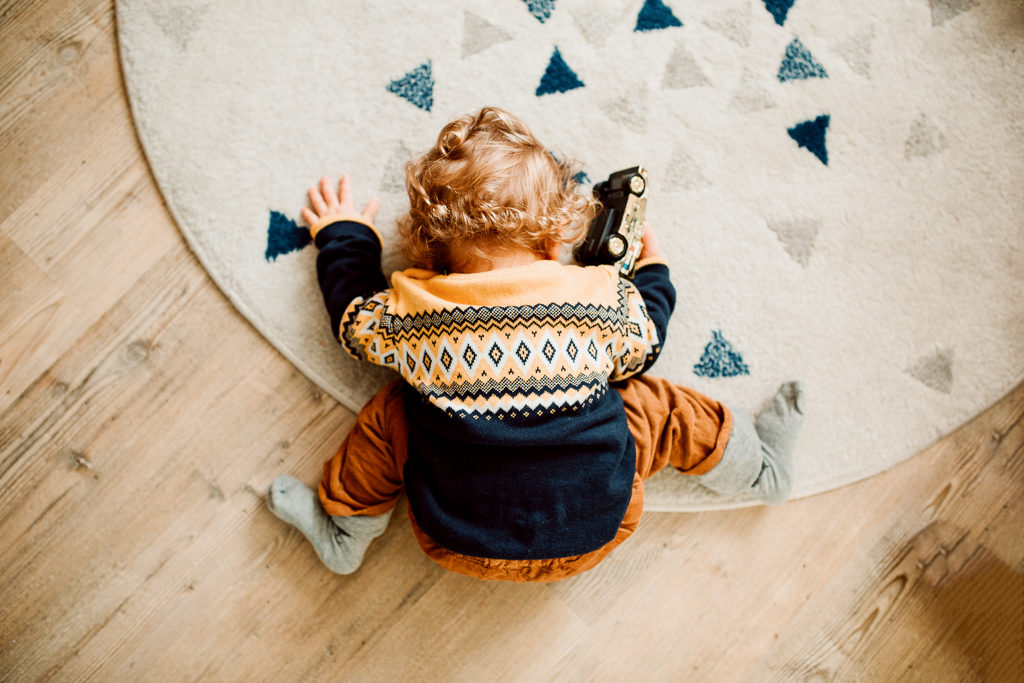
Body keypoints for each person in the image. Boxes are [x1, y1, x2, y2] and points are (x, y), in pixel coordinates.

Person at [266, 106, 804, 582]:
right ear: (555, 240)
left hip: (453, 536)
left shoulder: (412, 313)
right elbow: (647, 341)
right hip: (601, 523)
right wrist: (653, 274)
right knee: (653, 404)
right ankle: (760, 469)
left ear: (429, 258)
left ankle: (345, 532)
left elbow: (352, 319)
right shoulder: (596, 299)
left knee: (393, 413)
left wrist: (344, 237)